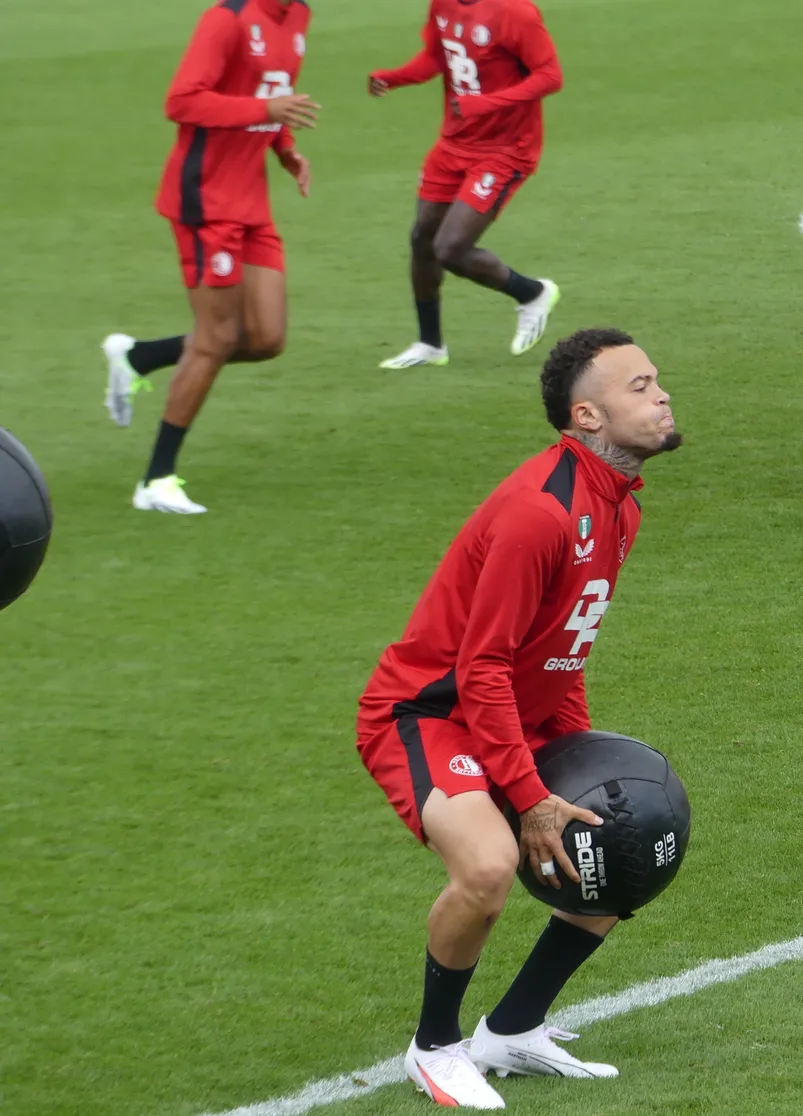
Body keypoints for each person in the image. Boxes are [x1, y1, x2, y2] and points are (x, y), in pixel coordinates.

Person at [357, 328, 679, 1109]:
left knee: (625, 831)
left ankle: (514, 1030)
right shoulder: (540, 513)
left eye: (656, 380)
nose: (662, 394)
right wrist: (531, 795)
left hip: (510, 716)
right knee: (490, 866)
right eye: (638, 386)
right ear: (587, 417)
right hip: (430, 716)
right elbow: (483, 668)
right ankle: (434, 1045)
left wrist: (580, 763)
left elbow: (562, 656)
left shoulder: (618, 511)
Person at [101, 0, 317, 515]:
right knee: (218, 338)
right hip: (205, 201)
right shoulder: (228, 17)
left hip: (251, 201)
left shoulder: (299, 16)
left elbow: (271, 94)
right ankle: (155, 480)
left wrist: (284, 148)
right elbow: (182, 101)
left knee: (265, 338)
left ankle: (139, 357)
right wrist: (266, 113)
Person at [370, 0, 563, 370]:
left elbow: (550, 76)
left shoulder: (515, 11)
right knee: (422, 238)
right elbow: (436, 57)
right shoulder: (442, 4)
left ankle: (533, 293)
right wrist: (394, 78)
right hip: (454, 143)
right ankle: (430, 345)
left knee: (450, 247)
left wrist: (486, 103)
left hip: (505, 149)